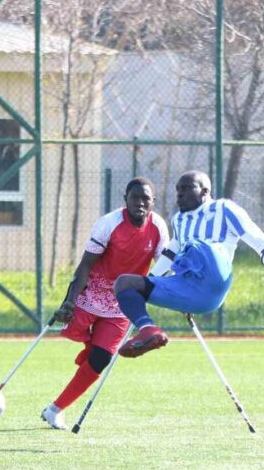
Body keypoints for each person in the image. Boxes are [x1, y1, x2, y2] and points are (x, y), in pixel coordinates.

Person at [114, 170, 264, 357]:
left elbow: (258, 239)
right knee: (125, 283)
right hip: (190, 288)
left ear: (205, 192)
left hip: (215, 279)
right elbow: (169, 254)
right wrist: (148, 283)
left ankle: (184, 274)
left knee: (195, 245)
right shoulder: (178, 220)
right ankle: (148, 330)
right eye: (178, 189)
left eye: (187, 188)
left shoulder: (224, 209)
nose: (179, 194)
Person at [41, 177, 169, 429]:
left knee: (101, 359)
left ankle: (55, 409)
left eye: (146, 198)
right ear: (125, 200)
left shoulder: (159, 228)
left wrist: (178, 297)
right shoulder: (109, 223)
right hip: (91, 295)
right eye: (135, 197)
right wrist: (69, 301)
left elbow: (162, 268)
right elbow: (86, 264)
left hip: (122, 303)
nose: (140, 203)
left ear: (153, 202)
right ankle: (89, 344)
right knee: (82, 340)